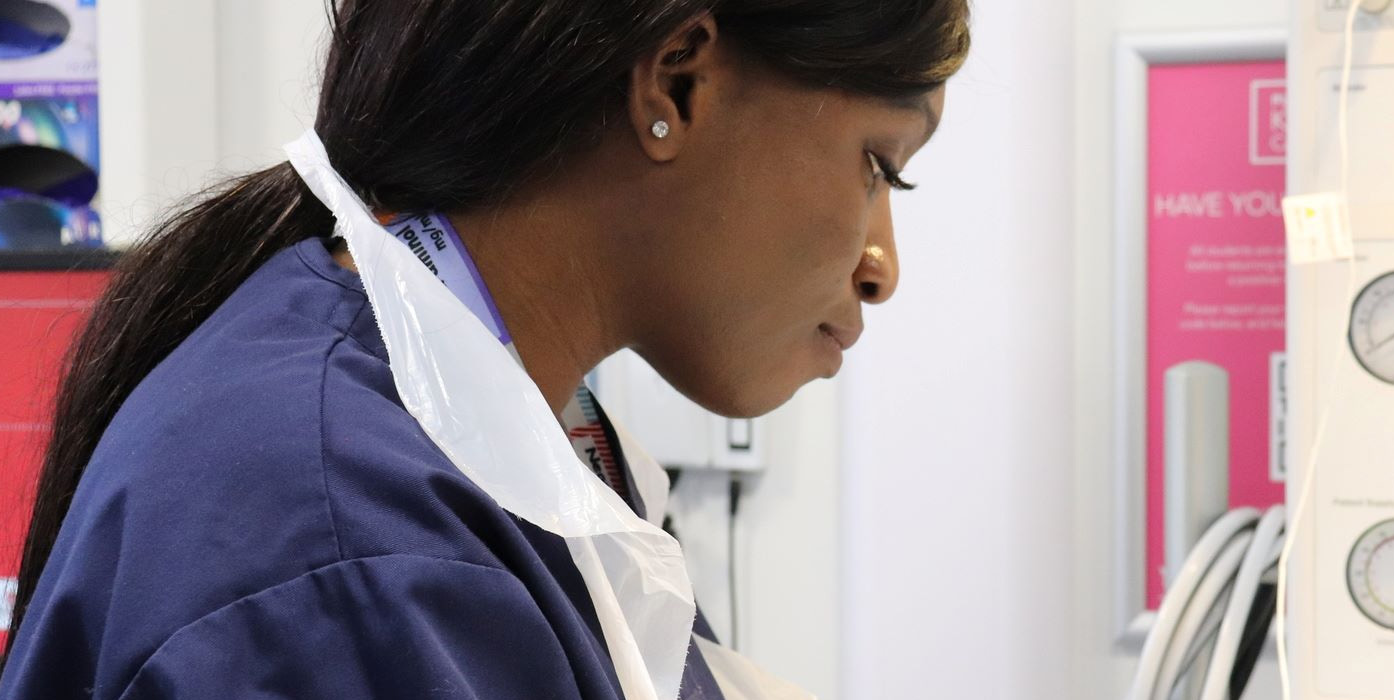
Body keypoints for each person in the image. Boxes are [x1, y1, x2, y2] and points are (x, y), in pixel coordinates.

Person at [0, 0, 967, 697]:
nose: (881, 265)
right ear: (678, 79)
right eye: (879, 168)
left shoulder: (499, 438)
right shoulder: (344, 551)